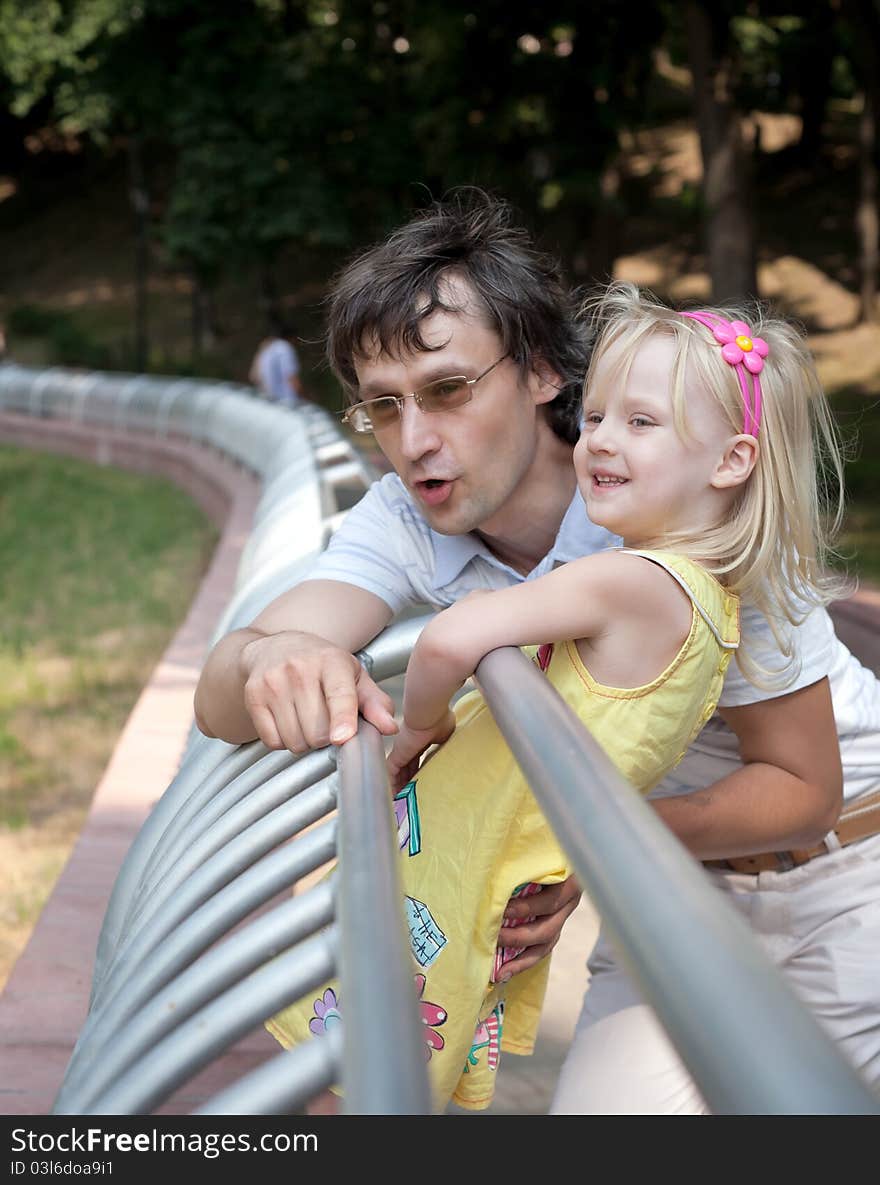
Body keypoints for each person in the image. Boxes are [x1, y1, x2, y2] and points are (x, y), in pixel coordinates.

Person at [194, 190, 880, 1111]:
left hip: (849, 876)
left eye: (448, 390)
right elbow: (226, 681)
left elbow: (802, 788)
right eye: (383, 408)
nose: (415, 442)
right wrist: (273, 659)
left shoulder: (689, 513)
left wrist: (582, 850)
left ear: (544, 372)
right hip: (671, 893)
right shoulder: (405, 516)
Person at [249, 320, 304, 407]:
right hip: (287, 403)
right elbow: (292, 378)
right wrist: (302, 399)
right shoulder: (285, 348)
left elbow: (254, 377)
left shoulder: (267, 350)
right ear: (292, 337)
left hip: (269, 403)